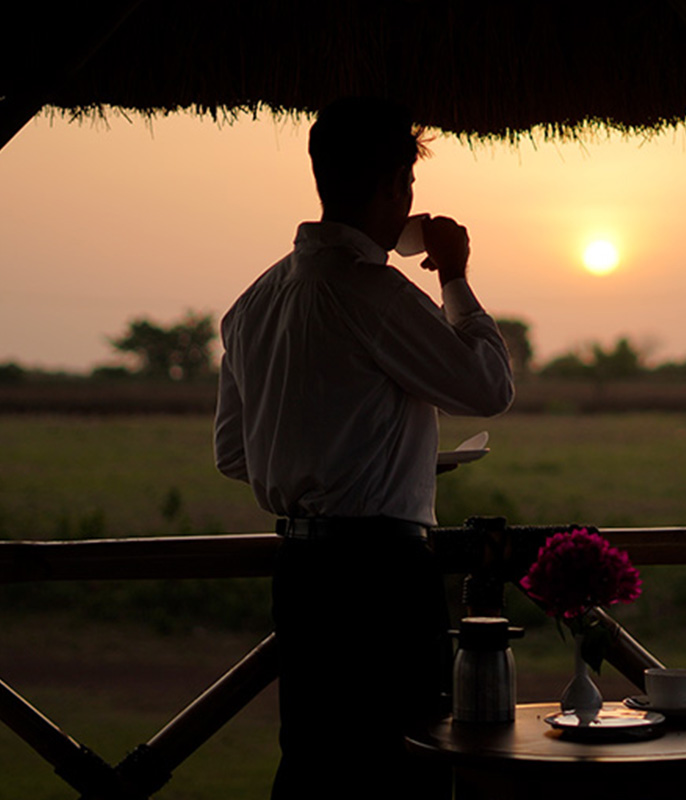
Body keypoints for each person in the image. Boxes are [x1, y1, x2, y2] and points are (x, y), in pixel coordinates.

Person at [213, 97, 514, 798]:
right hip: (380, 572)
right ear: (394, 189)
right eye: (406, 185)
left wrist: (362, 451)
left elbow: (236, 454)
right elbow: (487, 386)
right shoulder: (373, 292)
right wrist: (454, 276)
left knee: (318, 762)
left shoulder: (255, 301)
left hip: (301, 571)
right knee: (403, 765)